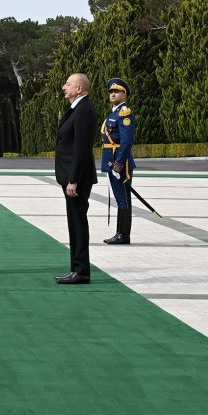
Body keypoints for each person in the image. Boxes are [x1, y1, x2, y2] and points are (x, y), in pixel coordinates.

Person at [54, 73, 98, 285]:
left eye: (68, 84)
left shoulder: (83, 110)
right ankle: (76, 269)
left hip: (77, 179)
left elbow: (81, 148)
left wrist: (73, 180)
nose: (64, 87)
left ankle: (81, 271)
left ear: (79, 88)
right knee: (75, 224)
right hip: (73, 177)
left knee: (78, 224)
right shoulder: (77, 108)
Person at [101, 78, 136, 245]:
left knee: (123, 199)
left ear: (125, 95)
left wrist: (119, 163)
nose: (113, 93)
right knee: (120, 198)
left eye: (117, 91)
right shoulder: (114, 112)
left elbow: (126, 141)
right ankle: (120, 233)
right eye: (111, 92)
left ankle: (123, 235)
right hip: (112, 160)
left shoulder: (124, 113)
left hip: (119, 162)